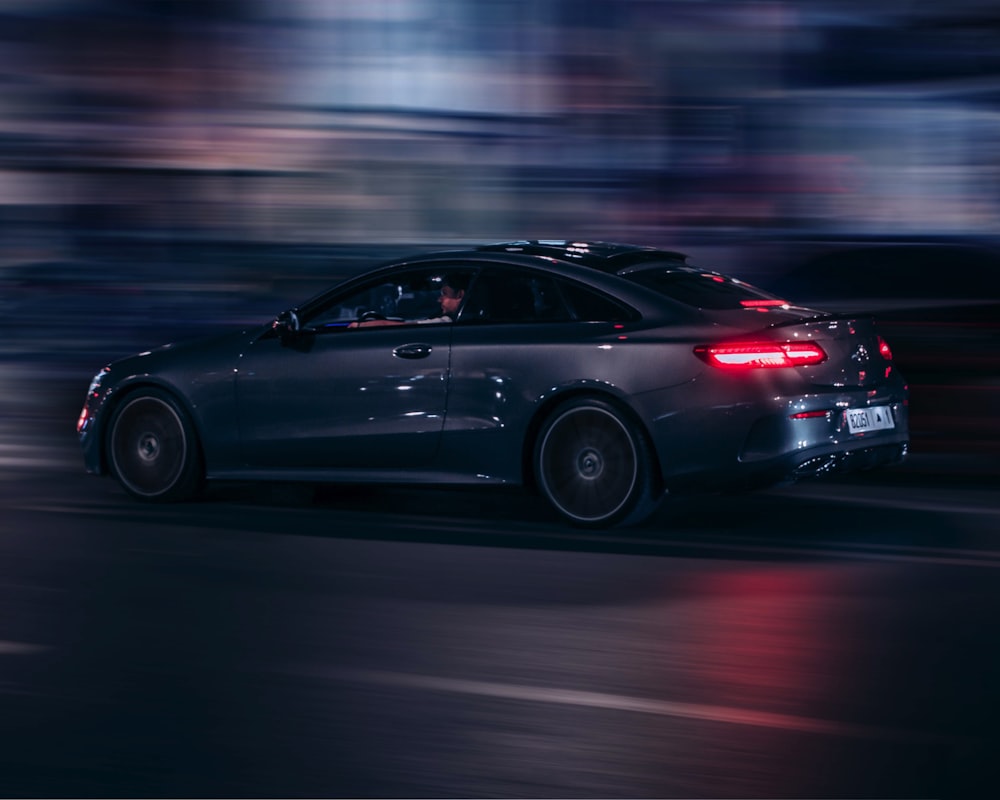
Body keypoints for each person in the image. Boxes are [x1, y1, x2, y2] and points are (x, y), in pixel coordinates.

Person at [350, 273, 468, 328]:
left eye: (444, 294)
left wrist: (358, 326)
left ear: (460, 295)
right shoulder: (462, 322)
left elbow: (404, 326)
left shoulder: (447, 323)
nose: (439, 299)